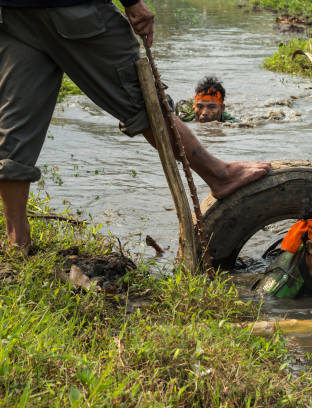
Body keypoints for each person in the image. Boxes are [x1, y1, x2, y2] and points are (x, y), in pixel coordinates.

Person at [0, 0, 270, 255]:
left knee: (15, 125)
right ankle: (219, 174)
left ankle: (17, 242)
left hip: (13, 14)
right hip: (72, 10)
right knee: (145, 101)